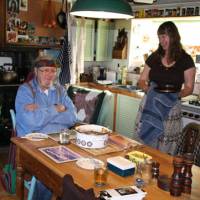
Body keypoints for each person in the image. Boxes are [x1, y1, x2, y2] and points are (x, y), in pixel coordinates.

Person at [15, 55, 77, 200]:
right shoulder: (25, 91)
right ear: (36, 71)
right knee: (48, 175)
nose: (49, 75)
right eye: (44, 71)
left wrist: (41, 112)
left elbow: (73, 117)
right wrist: (56, 108)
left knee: (78, 167)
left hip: (60, 141)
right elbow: (29, 121)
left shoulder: (60, 90)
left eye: (52, 71)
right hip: (34, 144)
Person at [134, 21, 196, 155]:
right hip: (150, 104)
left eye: (164, 36)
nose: (161, 41)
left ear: (173, 36)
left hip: (171, 108)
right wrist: (148, 90)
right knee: (144, 148)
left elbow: (189, 87)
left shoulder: (185, 60)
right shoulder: (154, 57)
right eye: (159, 37)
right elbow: (142, 80)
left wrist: (173, 96)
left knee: (165, 148)